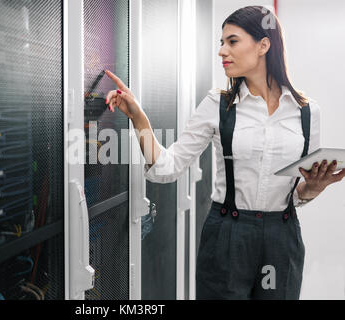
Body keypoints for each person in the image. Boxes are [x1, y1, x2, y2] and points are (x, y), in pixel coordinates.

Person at [104, 6, 345, 299]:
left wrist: (313, 188)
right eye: (221, 42)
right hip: (227, 234)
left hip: (282, 237)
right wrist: (139, 119)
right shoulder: (217, 105)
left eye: (232, 41)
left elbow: (295, 193)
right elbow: (168, 167)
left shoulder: (307, 112)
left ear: (263, 46)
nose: (222, 51)